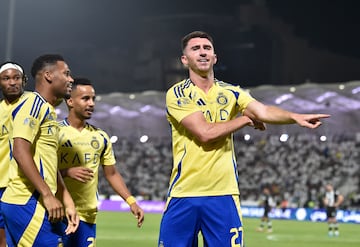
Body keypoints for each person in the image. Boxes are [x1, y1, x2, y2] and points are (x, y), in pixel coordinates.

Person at [158, 31, 330, 247]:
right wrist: (244, 120)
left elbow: (263, 111)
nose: (202, 52)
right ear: (185, 60)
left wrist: (294, 117)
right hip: (184, 193)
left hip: (223, 194)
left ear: (214, 57)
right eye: (195, 49)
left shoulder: (232, 92)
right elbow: (205, 134)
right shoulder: (177, 93)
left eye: (207, 48)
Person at [1, 54, 79, 246]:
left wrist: (66, 200)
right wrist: (47, 194)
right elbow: (19, 150)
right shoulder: (33, 104)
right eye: (66, 74)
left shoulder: (46, 109)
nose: (71, 79)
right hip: (28, 200)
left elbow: (49, 163)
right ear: (48, 75)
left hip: (34, 201)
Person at [58, 78, 144, 246]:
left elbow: (111, 173)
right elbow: (42, 171)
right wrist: (66, 172)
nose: (91, 103)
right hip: (58, 213)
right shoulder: (55, 132)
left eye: (93, 99)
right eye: (85, 98)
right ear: (70, 101)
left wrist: (131, 201)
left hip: (88, 216)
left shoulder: (101, 136)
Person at [0, 61, 29, 247]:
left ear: (24, 81)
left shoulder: (33, 106)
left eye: (16, 78)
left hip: (25, 187)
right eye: (6, 78)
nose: (12, 82)